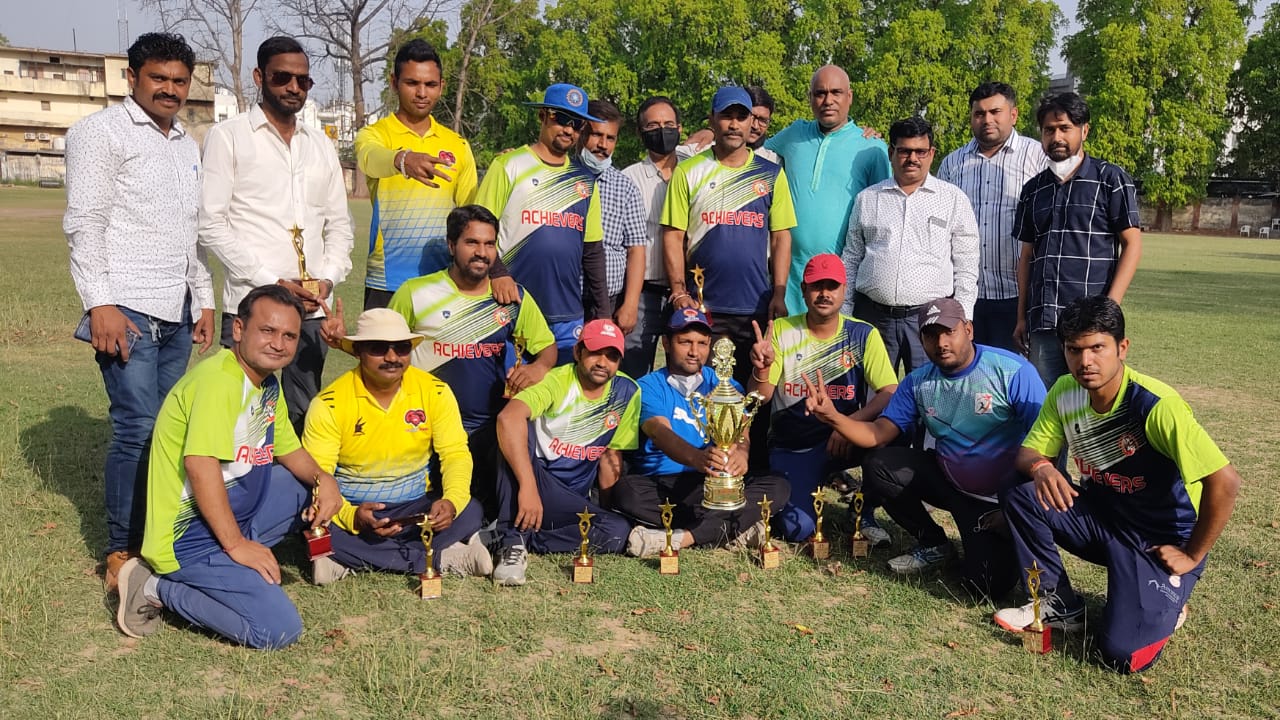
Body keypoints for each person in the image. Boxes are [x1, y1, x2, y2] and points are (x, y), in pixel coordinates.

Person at [996, 296, 1239, 674]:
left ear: (1122, 348)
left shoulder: (1156, 405)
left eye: (1097, 348)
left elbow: (1224, 481)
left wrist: (1192, 554)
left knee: (1122, 655)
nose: (1085, 361)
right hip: (1104, 520)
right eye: (1075, 349)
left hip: (1158, 541)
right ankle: (1059, 602)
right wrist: (1042, 467)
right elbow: (1028, 453)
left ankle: (1168, 599)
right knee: (1021, 486)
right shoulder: (1064, 391)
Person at [64, 32, 217, 593]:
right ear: (131, 77)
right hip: (125, 307)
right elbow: (85, 223)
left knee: (168, 429)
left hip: (177, 308)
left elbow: (190, 232)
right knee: (137, 428)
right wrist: (99, 303)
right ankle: (121, 551)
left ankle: (160, 532)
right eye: (159, 78)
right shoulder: (99, 133)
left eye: (179, 81)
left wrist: (203, 298)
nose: (170, 89)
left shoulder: (185, 143)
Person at [115, 285, 344, 649]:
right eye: (267, 331)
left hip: (232, 519)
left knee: (304, 488)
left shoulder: (266, 384)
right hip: (188, 538)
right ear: (238, 329)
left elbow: (289, 450)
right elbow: (200, 466)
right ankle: (155, 586)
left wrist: (324, 479)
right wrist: (236, 545)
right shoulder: (219, 382)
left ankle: (236, 560)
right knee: (278, 630)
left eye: (289, 336)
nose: (278, 344)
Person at [802, 297, 1046, 597]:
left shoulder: (1012, 371)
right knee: (880, 464)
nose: (941, 343)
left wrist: (1014, 509)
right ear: (922, 340)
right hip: (949, 482)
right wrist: (834, 417)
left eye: (949, 332)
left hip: (996, 499)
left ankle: (992, 538)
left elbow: (1045, 445)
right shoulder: (917, 382)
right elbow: (878, 434)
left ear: (968, 330)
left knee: (986, 587)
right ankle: (933, 543)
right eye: (931, 335)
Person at [199, 36, 353, 434]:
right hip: (252, 304)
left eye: (303, 80)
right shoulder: (229, 137)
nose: (294, 87)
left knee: (304, 414)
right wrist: (273, 283)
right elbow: (211, 224)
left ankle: (294, 478)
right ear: (259, 77)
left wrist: (328, 278)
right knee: (241, 415)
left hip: (311, 310)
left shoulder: (320, 145)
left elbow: (339, 225)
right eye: (282, 77)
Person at [389, 205, 557, 519]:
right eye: (472, 243)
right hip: (425, 426)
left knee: (490, 504)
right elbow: (383, 352)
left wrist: (539, 367)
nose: (482, 252)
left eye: (489, 244)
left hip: (487, 427)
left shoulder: (512, 298)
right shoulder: (415, 293)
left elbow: (547, 348)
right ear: (451, 245)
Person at [301, 308, 490, 584]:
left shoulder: (435, 391)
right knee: (314, 521)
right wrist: (352, 517)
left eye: (401, 348)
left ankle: (345, 559)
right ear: (358, 351)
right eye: (379, 348)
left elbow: (455, 454)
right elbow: (319, 476)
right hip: (354, 507)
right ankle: (441, 557)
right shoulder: (329, 404)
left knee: (470, 510)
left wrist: (450, 501)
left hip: (415, 506)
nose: (392, 357)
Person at [612, 308, 790, 555]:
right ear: (666, 343)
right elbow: (659, 432)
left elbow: (742, 427)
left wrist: (742, 452)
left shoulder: (723, 383)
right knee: (626, 493)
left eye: (702, 343)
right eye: (685, 342)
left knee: (778, 485)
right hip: (665, 484)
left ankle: (683, 537)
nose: (694, 351)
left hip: (713, 480)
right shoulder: (648, 385)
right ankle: (734, 528)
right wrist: (697, 458)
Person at [747, 254, 898, 542]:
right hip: (794, 445)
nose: (824, 293)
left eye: (832, 286)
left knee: (898, 433)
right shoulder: (782, 330)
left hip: (845, 439)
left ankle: (863, 509)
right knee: (798, 529)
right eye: (817, 286)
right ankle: (791, 484)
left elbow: (890, 392)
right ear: (803, 290)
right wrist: (761, 370)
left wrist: (847, 424)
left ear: (844, 290)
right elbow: (760, 397)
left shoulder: (863, 334)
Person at [663, 85, 797, 386]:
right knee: (702, 394)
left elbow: (780, 237)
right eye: (727, 116)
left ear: (752, 122)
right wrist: (679, 291)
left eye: (742, 116)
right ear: (712, 120)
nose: (734, 124)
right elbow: (672, 235)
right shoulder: (688, 171)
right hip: (701, 307)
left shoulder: (771, 174)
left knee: (754, 396)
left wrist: (778, 294)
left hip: (755, 307)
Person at [491, 319, 640, 586]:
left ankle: (520, 536)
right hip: (536, 482)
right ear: (577, 352)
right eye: (595, 352)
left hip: (571, 499)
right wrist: (528, 487)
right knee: (513, 435)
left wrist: (603, 510)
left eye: (612, 356)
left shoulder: (627, 391)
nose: (602, 362)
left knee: (617, 531)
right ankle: (512, 543)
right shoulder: (556, 381)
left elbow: (611, 456)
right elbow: (507, 418)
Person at [354, 38, 498, 309]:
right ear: (394, 82)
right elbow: (369, 159)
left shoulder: (457, 145)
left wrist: (502, 167)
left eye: (430, 85)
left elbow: (472, 215)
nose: (422, 93)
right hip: (387, 282)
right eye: (412, 83)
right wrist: (402, 160)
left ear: (441, 87)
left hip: (444, 282)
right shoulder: (375, 135)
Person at [1014, 93, 1142, 392]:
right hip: (1044, 321)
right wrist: (1021, 317)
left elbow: (1132, 244)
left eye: (1065, 128)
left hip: (1092, 323)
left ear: (1084, 130)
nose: (1056, 137)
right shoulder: (1033, 190)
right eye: (1049, 130)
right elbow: (1027, 256)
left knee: (1094, 400)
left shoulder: (1110, 179)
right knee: (1046, 403)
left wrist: (1110, 306)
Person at [474, 83, 610, 364]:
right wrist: (497, 273)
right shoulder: (509, 166)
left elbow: (593, 252)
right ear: (542, 116)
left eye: (577, 123)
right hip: (512, 306)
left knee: (562, 391)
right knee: (512, 388)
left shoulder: (585, 180)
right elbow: (477, 230)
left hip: (566, 315)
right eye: (561, 118)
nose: (568, 129)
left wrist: (603, 314)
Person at [842, 117, 979, 376]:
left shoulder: (953, 200)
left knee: (929, 390)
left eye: (920, 152)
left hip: (931, 320)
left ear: (931, 154)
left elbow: (967, 265)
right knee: (870, 390)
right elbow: (851, 258)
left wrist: (962, 319)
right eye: (904, 151)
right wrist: (845, 315)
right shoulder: (868, 199)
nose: (912, 158)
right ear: (891, 152)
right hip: (873, 317)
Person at [764, 65, 892, 315]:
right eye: (820, 93)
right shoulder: (794, 135)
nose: (828, 100)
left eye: (836, 92)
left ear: (849, 97)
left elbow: (881, 215)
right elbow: (750, 150)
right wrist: (708, 131)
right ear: (810, 98)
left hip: (841, 280)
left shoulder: (871, 148)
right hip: (790, 279)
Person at [938, 82, 1046, 352]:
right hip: (965, 296)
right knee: (968, 372)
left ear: (1013, 114)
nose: (987, 120)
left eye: (995, 112)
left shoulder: (1037, 157)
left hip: (1018, 296)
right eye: (979, 113)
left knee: (1013, 372)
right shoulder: (953, 163)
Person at [621, 96, 685, 379]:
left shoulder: (695, 170)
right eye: (653, 126)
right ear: (640, 132)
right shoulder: (628, 179)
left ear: (680, 129)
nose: (662, 131)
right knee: (633, 372)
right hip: (642, 293)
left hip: (686, 292)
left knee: (685, 373)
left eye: (669, 124)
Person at [577, 100, 649, 331]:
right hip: (566, 297)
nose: (603, 145)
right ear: (580, 132)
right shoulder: (562, 177)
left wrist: (630, 304)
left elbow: (636, 248)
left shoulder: (625, 188)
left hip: (609, 300)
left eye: (610, 138)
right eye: (596, 135)